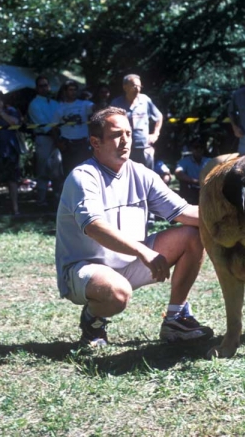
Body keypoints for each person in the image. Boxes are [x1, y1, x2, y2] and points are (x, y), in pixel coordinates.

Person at [55, 107, 213, 346]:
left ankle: (176, 319)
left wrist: (236, 216)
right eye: (117, 135)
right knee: (118, 294)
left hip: (130, 262)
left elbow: (185, 212)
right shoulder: (83, 176)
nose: (125, 141)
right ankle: (92, 321)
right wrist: (144, 251)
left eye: (128, 133)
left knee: (193, 234)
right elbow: (95, 227)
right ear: (95, 142)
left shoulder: (141, 173)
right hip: (84, 270)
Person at [110, 74, 163, 169]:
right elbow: (109, 123)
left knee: (148, 176)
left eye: (139, 86)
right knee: (126, 175)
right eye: (134, 86)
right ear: (125, 87)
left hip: (144, 146)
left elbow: (159, 116)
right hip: (124, 147)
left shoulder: (145, 100)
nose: (137, 89)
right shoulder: (116, 103)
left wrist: (155, 134)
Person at [28, 76, 61, 206]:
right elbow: (45, 125)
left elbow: (60, 121)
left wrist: (59, 139)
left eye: (45, 85)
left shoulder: (55, 103)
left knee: (57, 169)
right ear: (37, 88)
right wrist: (57, 138)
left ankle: (58, 198)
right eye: (41, 86)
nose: (44, 88)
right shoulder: (34, 104)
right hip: (44, 138)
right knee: (42, 169)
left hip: (57, 138)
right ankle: (41, 199)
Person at [52, 80, 93, 178]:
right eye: (70, 90)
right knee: (69, 173)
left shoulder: (84, 104)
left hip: (83, 143)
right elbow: (53, 127)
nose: (73, 92)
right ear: (65, 92)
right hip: (68, 144)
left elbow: (96, 108)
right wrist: (58, 143)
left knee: (85, 172)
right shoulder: (59, 107)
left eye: (75, 90)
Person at [174, 139, 211, 205]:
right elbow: (178, 173)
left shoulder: (209, 161)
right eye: (196, 147)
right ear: (192, 149)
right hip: (191, 187)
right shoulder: (185, 161)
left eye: (201, 147)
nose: (199, 149)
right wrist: (195, 181)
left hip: (206, 187)